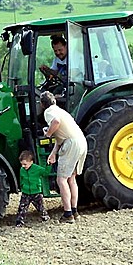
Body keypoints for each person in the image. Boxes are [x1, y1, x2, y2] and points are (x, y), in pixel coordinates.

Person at [40, 91, 86, 223]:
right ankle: (74, 211)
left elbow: (56, 122)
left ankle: (67, 214)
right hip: (81, 142)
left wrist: (48, 133)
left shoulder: (49, 112)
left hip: (71, 144)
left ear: (42, 104)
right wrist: (53, 153)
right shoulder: (61, 111)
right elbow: (61, 137)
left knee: (61, 180)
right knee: (71, 179)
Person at [15, 150, 50, 227]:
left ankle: (45, 217)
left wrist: (49, 165)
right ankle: (19, 222)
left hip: (36, 192)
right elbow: (21, 179)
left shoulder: (37, 169)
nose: (23, 166)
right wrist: (22, 187)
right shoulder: (22, 170)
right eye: (22, 164)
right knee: (22, 208)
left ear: (31, 162)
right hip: (26, 192)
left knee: (40, 206)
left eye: (25, 164)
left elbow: (46, 173)